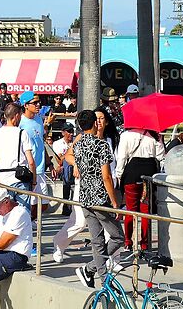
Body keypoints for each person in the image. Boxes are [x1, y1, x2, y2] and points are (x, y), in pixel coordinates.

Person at [65, 107, 123, 286]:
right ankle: (93, 270)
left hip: (85, 197)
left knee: (97, 242)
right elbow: (106, 176)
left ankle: (97, 274)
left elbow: (70, 158)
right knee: (118, 236)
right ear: (93, 123)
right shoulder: (101, 145)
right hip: (100, 197)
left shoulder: (79, 144)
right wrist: (114, 201)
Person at [111, 115, 164, 255]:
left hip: (132, 173)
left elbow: (121, 157)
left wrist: (119, 174)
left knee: (130, 209)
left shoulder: (126, 135)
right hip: (149, 173)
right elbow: (160, 156)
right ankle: (145, 244)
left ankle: (128, 242)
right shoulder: (154, 135)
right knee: (145, 210)